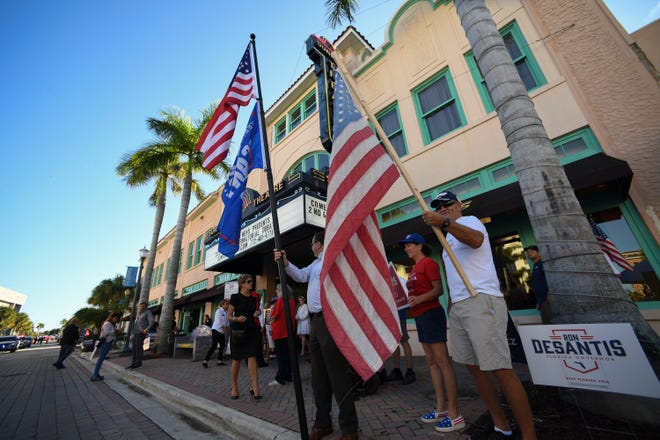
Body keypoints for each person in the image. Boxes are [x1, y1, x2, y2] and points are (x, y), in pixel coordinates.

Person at [423, 191, 536, 439]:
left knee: (501, 368)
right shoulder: (446, 238)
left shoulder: (469, 221)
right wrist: (452, 303)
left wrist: (444, 222)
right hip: (460, 306)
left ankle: (529, 435)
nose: (442, 208)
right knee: (474, 368)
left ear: (458, 205)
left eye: (447, 204)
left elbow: (475, 240)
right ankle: (501, 426)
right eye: (438, 207)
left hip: (481, 300)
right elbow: (453, 273)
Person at [274, 232, 359, 440]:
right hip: (315, 322)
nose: (310, 247)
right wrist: (285, 262)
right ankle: (323, 422)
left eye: (312, 243)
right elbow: (300, 275)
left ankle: (349, 427)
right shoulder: (314, 265)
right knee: (318, 376)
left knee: (338, 374)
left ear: (319, 244)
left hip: (331, 319)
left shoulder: (333, 257)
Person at [398, 233, 463, 433]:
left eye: (409, 245)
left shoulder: (429, 263)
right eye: (406, 246)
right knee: (431, 360)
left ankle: (454, 414)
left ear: (420, 245)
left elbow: (439, 290)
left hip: (432, 314)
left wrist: (421, 298)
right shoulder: (414, 269)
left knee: (442, 360)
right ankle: (441, 408)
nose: (406, 249)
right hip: (420, 316)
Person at [228, 274, 262, 400]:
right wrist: (236, 318)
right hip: (238, 331)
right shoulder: (235, 297)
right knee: (236, 359)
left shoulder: (254, 297)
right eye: (248, 282)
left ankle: (255, 387)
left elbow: (257, 311)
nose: (251, 284)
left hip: (251, 330)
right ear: (242, 284)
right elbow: (229, 316)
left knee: (252, 357)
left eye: (252, 281)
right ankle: (234, 387)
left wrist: (257, 313)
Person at [385, 278, 415, 385]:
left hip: (399, 312)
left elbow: (406, 296)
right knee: (394, 343)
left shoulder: (399, 279)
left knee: (403, 340)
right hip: (389, 314)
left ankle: (410, 370)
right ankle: (397, 370)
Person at [268, 283, 296, 387]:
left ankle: (280, 378)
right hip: (289, 332)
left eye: (277, 290)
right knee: (287, 355)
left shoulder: (280, 301)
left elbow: (273, 316)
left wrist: (271, 319)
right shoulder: (292, 301)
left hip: (280, 332)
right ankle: (288, 375)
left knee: (280, 356)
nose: (276, 292)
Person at [525, 245, 552, 324]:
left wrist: (549, 294)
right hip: (542, 302)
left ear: (538, 252)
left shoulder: (542, 264)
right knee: (546, 324)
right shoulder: (535, 266)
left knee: (552, 324)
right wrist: (538, 302)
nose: (529, 253)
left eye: (532, 251)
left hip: (548, 300)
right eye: (528, 252)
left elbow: (550, 279)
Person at [91, 313, 118, 382]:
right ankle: (95, 375)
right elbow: (106, 332)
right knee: (100, 359)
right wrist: (115, 331)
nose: (117, 320)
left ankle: (96, 374)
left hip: (107, 342)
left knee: (101, 359)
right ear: (112, 317)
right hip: (105, 342)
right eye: (116, 318)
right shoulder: (108, 324)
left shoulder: (109, 324)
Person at [127, 302, 154, 370]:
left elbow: (151, 322)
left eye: (144, 306)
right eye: (141, 306)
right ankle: (134, 363)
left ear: (146, 307)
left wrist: (146, 329)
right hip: (135, 333)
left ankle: (138, 363)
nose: (142, 307)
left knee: (138, 347)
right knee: (134, 348)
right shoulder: (139, 314)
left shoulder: (147, 313)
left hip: (141, 333)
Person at [203, 299, 229, 368]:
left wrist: (227, 327)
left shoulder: (226, 312)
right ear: (222, 305)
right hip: (216, 330)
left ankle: (219, 361)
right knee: (214, 345)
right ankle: (205, 361)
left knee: (223, 346)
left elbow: (227, 321)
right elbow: (218, 321)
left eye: (228, 304)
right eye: (226, 304)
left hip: (222, 331)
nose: (227, 305)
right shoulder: (219, 311)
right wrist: (223, 327)